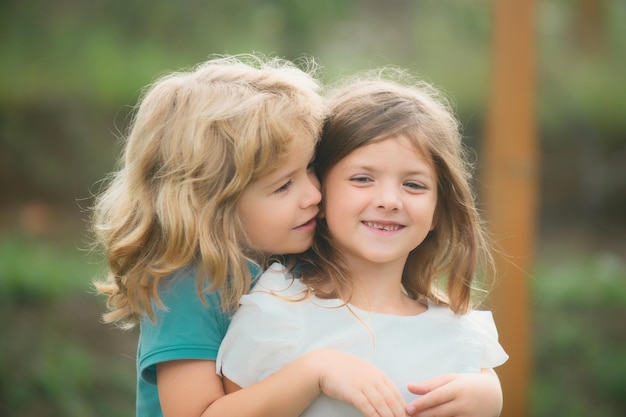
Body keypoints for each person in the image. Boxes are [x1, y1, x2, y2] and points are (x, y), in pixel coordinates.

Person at [92, 54, 415, 417]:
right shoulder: (188, 289)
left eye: (310, 168)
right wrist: (315, 372)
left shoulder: (289, 252)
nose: (313, 195)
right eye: (282, 186)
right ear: (212, 204)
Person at [217, 71, 509, 417]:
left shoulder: (460, 332)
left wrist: (491, 398)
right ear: (319, 194)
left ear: (437, 213)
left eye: (414, 185)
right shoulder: (278, 309)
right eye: (362, 179)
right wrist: (315, 373)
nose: (389, 200)